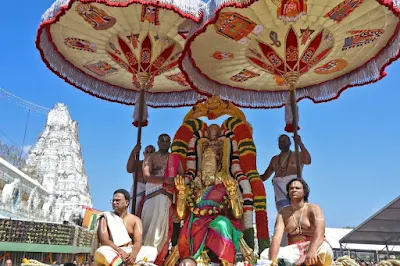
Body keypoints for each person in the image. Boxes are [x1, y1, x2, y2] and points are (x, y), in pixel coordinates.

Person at [175, 145, 252, 266]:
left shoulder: (225, 186)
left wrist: (232, 193)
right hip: (196, 223)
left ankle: (227, 262)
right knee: (192, 228)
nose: (207, 166)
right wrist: (181, 194)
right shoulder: (194, 190)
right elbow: (180, 215)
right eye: (205, 164)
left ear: (218, 167)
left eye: (210, 164)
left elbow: (238, 214)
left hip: (218, 220)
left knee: (222, 223)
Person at [259, 178, 333, 266]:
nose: (294, 190)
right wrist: (272, 261)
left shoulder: (313, 208)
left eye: (297, 188)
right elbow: (276, 238)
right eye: (291, 188)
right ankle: (300, 263)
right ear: (288, 192)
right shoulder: (283, 213)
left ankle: (303, 262)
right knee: (265, 254)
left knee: (325, 249)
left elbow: (320, 232)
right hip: (294, 250)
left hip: (314, 246)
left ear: (304, 192)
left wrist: (312, 250)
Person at [142, 134, 183, 264]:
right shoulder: (150, 157)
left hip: (167, 195)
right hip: (152, 193)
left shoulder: (175, 159)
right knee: (148, 224)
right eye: (162, 140)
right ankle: (144, 255)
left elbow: (181, 175)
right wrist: (164, 180)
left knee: (163, 227)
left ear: (170, 143)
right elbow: (146, 176)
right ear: (158, 142)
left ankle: (157, 257)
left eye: (167, 141)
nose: (165, 143)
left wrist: (174, 182)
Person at [92, 189, 156, 266]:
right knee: (101, 251)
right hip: (113, 251)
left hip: (130, 251)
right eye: (113, 200)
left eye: (117, 200)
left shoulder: (136, 220)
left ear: (126, 202)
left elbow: (138, 242)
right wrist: (121, 252)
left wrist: (133, 255)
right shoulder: (105, 217)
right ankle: (121, 263)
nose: (114, 203)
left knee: (152, 250)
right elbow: (104, 241)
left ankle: (130, 262)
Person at [261, 134, 311, 211]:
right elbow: (264, 176)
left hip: (295, 192)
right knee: (285, 219)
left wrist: (300, 143)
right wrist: (250, 176)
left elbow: (308, 161)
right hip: (280, 196)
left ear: (290, 143)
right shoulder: (274, 159)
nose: (282, 143)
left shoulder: (298, 155)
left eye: (284, 141)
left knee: (298, 218)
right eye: (280, 141)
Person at [127, 144, 156, 214]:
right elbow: (129, 169)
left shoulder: (156, 166)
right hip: (138, 192)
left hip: (150, 192)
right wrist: (134, 152)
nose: (149, 154)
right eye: (147, 152)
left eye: (151, 152)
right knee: (135, 213)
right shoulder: (138, 164)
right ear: (143, 153)